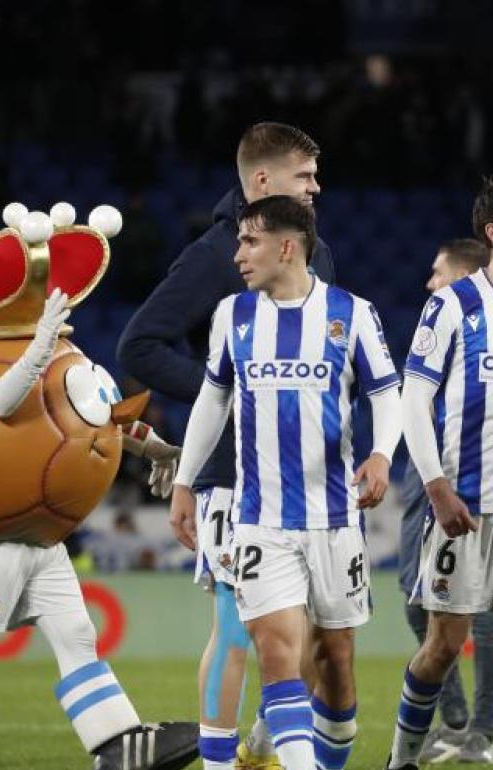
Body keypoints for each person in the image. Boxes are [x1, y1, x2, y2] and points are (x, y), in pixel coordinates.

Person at [118, 121, 336, 770]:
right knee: (239, 629)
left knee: (320, 635)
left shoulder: (315, 252)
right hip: (235, 473)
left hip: (309, 475)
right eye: (304, 175)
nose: (316, 185)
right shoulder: (215, 254)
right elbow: (141, 344)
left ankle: (264, 746)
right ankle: (218, 763)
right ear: (263, 181)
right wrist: (231, 391)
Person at [169, 195, 400, 770]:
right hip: (260, 519)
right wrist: (185, 482)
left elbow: (385, 393)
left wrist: (380, 453)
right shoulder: (233, 316)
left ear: (287, 246)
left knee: (335, 663)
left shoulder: (352, 313)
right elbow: (211, 400)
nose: (239, 254)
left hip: (334, 520)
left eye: (249, 242)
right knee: (275, 651)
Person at [0, 292, 194, 770]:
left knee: (77, 634)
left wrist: (161, 452)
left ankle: (116, 744)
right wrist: (41, 343)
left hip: (44, 539)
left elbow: (103, 418)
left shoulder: (62, 363)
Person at [383, 179, 493, 770]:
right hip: (463, 505)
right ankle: (401, 759)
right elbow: (415, 398)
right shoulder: (454, 304)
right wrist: (436, 487)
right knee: (442, 646)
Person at [395, 239, 493, 765]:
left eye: (437, 272)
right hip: (424, 475)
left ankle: (479, 733)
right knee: (415, 598)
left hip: (473, 475)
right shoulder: (435, 327)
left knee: (483, 608)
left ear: (464, 275)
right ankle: (455, 719)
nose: (428, 283)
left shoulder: (491, 325)